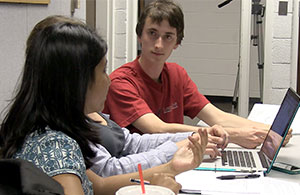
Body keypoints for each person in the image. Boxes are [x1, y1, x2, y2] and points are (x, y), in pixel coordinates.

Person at [0, 16, 208, 195]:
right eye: (102, 71)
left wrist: (170, 167)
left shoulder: (48, 128)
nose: (108, 80)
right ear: (77, 82)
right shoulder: (55, 145)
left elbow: (98, 184)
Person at [103, 0, 292, 149]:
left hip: (178, 155)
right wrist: (232, 135)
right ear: (139, 36)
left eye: (168, 36)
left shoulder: (176, 74)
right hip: (143, 169)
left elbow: (217, 116)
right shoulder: (121, 82)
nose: (159, 44)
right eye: (152, 33)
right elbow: (157, 129)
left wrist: (270, 130)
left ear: (177, 42)